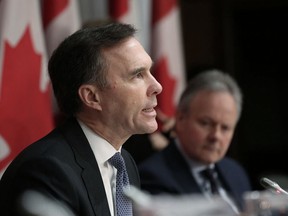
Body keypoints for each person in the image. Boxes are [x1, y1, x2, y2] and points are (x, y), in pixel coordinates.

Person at [0, 22, 162, 216]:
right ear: (92, 97)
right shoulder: (47, 170)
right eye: (137, 75)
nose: (157, 86)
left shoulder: (124, 162)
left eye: (150, 71)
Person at [138, 69, 251, 214]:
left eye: (225, 128)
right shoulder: (153, 177)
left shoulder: (235, 172)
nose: (216, 136)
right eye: (206, 123)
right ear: (180, 119)